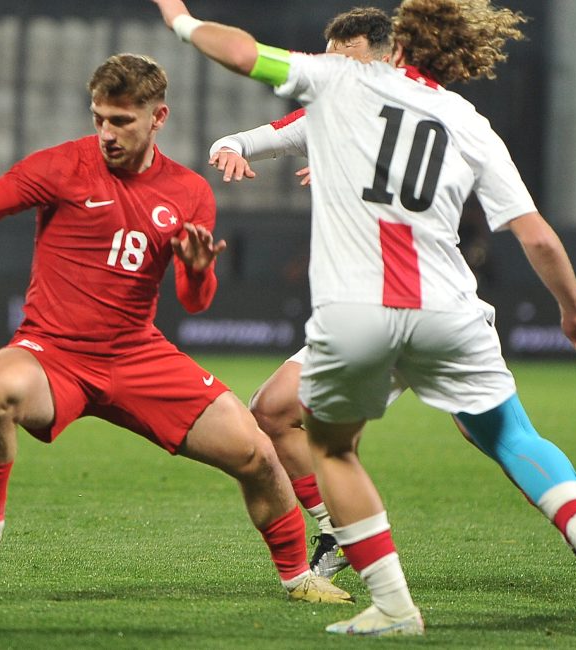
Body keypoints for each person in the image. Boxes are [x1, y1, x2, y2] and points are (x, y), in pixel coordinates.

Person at [152, 0, 576, 640]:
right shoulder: (467, 119)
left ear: (394, 48)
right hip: (449, 313)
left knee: (334, 447)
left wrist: (179, 18)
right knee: (510, 436)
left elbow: (240, 52)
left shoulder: (340, 80)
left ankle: (393, 604)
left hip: (360, 315)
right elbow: (537, 238)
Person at [0, 53, 351, 605]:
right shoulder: (63, 166)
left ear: (158, 118)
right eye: (99, 119)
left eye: (121, 121)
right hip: (54, 353)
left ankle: (299, 576)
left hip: (138, 357)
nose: (107, 133)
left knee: (257, 454)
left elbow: (194, 300)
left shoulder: (188, 193)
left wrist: (201, 270)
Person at [207, 6, 401, 581]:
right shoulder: (324, 116)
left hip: (419, 303)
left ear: (387, 59)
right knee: (272, 413)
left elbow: (446, 179)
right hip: (355, 309)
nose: (338, 77)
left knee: (496, 434)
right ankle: (341, 535)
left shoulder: (423, 111)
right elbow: (248, 137)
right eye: (330, 64)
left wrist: (359, 171)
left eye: (352, 63)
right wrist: (230, 148)